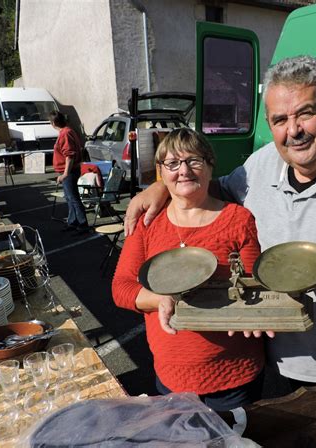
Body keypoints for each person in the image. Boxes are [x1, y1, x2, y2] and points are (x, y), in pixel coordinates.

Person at [123, 56, 316, 410]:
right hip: (277, 359)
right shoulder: (263, 164)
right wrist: (160, 188)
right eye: (280, 120)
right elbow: (208, 188)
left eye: (305, 114)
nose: (293, 131)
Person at [112, 128, 269, 412]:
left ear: (210, 166)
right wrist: (162, 299)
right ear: (162, 172)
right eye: (172, 163)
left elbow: (253, 284)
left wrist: (253, 309)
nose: (183, 171)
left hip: (234, 375)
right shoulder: (147, 223)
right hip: (172, 377)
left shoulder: (238, 219)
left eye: (194, 161)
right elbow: (121, 288)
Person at [50, 110, 89, 233]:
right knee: (69, 198)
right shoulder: (68, 131)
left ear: (53, 123)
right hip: (69, 170)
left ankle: (83, 225)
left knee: (73, 198)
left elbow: (69, 155)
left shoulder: (65, 133)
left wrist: (65, 173)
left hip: (70, 171)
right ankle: (72, 222)